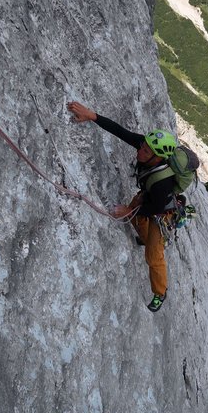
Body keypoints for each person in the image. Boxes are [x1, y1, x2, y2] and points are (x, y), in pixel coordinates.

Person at [67, 101, 177, 312]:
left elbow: (155, 208)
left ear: (158, 157)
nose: (141, 151)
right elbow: (121, 132)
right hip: (148, 198)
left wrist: (130, 210)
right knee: (134, 216)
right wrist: (93, 115)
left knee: (153, 256)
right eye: (143, 146)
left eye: (146, 151)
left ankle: (160, 293)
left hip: (162, 211)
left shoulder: (163, 182)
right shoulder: (149, 148)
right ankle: (144, 238)